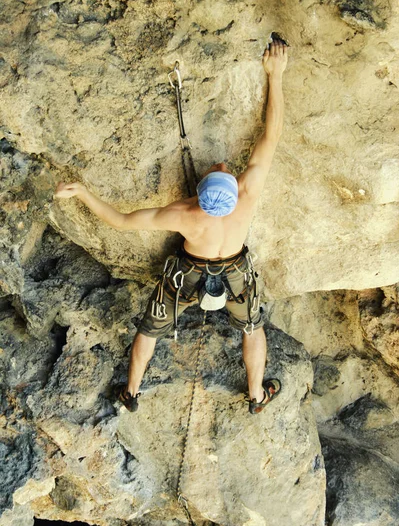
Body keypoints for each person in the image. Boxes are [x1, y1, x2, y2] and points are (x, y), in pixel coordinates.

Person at [55, 38, 288, 414]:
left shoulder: (184, 213)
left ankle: (132, 391)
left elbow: (122, 221)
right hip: (235, 275)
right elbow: (271, 135)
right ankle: (256, 394)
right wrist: (275, 76)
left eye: (221, 170)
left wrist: (82, 192)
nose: (223, 165)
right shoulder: (246, 195)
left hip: (187, 276)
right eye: (224, 171)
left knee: (150, 329)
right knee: (252, 327)